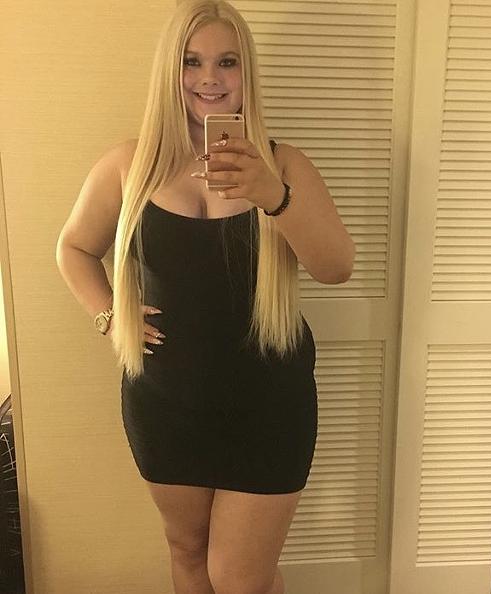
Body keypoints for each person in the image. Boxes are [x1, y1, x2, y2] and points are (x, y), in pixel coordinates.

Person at [55, 1, 355, 592]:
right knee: (187, 551)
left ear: (247, 72)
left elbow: (336, 267)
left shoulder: (282, 164)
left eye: (227, 62)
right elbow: (73, 248)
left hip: (268, 403)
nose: (209, 78)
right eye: (191, 62)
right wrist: (109, 315)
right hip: (165, 402)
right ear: (171, 71)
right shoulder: (129, 165)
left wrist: (274, 196)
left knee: (239, 577)